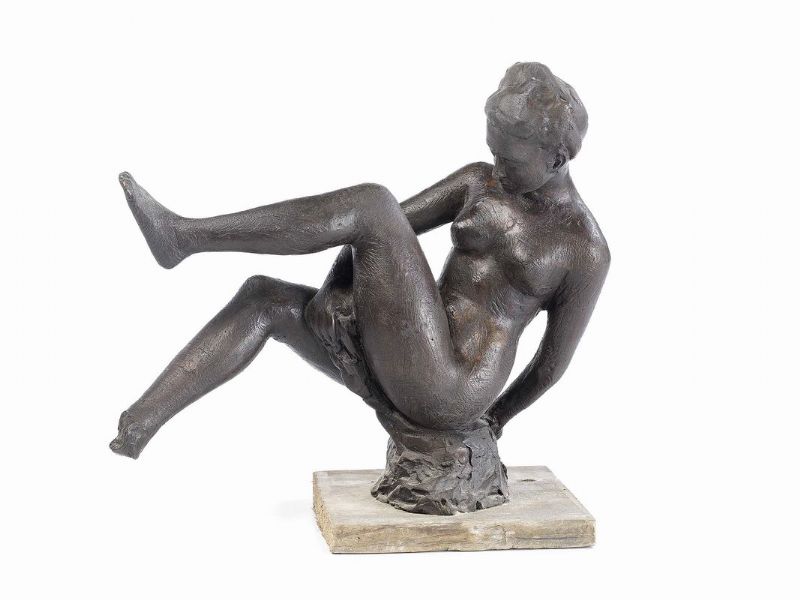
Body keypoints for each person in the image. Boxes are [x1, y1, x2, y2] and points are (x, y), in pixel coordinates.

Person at [111, 62, 609, 459]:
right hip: (406, 346)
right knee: (264, 298)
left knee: (373, 201)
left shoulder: (584, 249)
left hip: (454, 384)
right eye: (493, 152)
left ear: (557, 159)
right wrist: (334, 292)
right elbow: (379, 231)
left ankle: (185, 237)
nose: (497, 167)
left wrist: (494, 421)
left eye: (510, 160)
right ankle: (139, 424)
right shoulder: (479, 181)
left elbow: (550, 366)